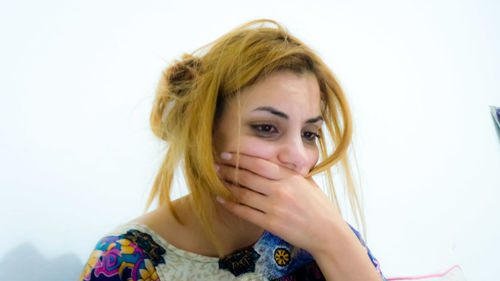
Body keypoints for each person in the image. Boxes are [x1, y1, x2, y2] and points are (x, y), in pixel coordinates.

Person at [79, 19, 386, 281]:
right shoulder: (126, 261)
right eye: (266, 128)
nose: (298, 157)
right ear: (204, 131)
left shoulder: (325, 237)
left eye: (309, 134)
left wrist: (334, 241)